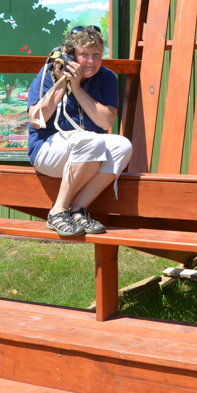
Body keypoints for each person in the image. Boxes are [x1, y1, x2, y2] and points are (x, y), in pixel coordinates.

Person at [27, 25, 132, 237]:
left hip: (90, 151)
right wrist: (62, 82)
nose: (91, 62)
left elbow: (105, 121)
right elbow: (37, 121)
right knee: (92, 141)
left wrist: (77, 89)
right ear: (72, 55)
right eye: (84, 55)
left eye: (96, 55)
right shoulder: (51, 72)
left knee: (123, 145)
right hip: (47, 150)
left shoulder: (107, 77)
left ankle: (77, 211)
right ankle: (58, 212)